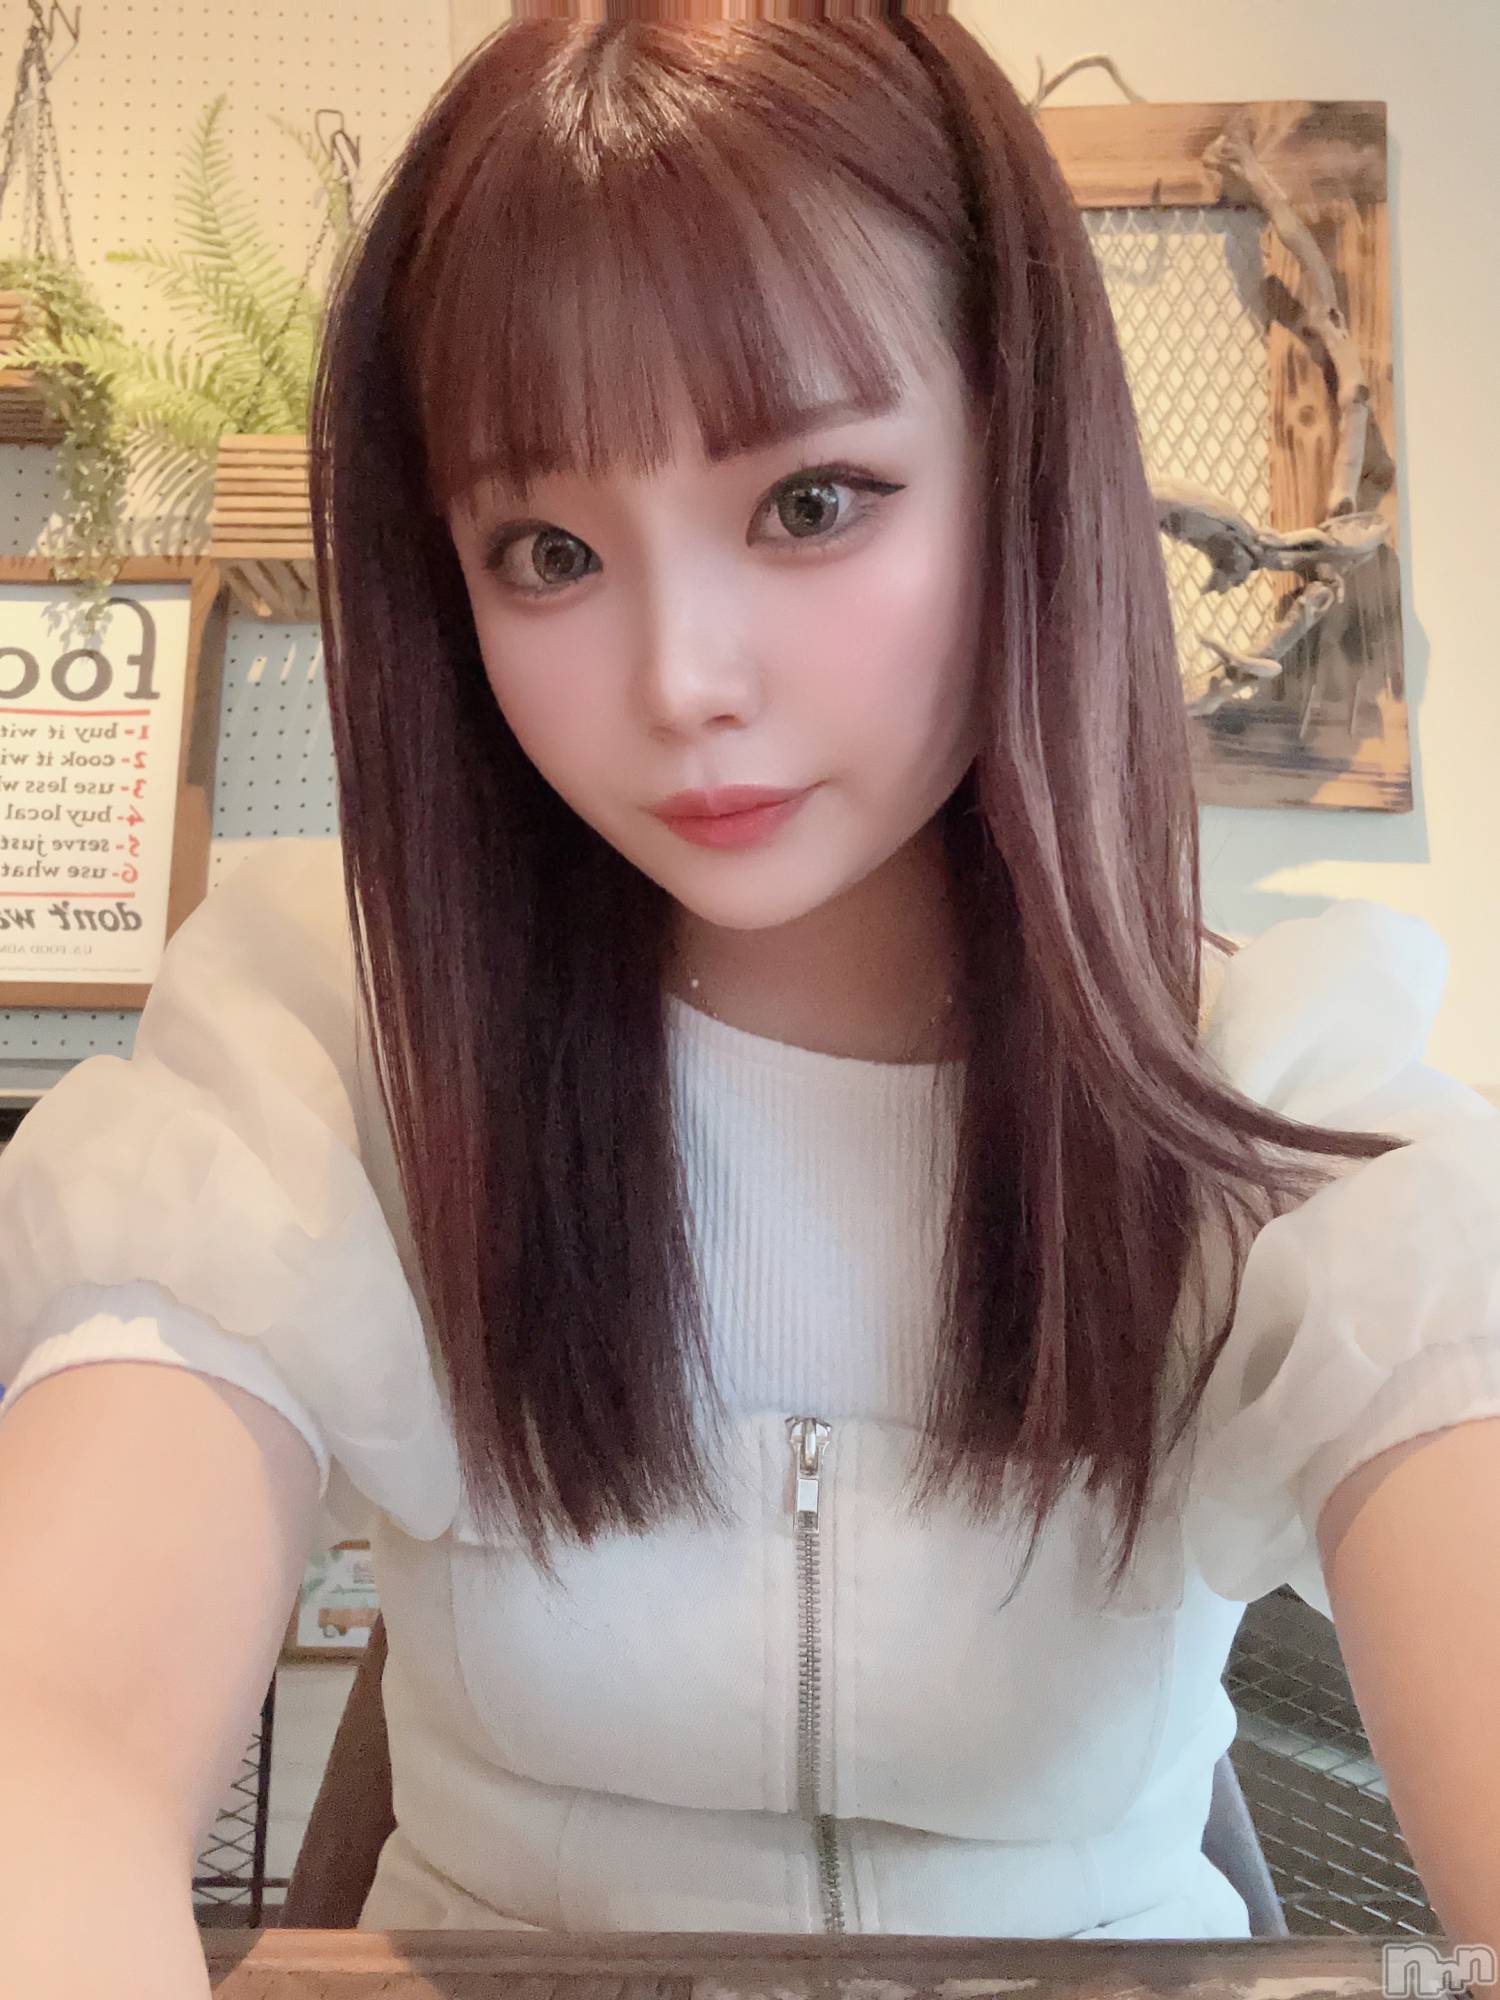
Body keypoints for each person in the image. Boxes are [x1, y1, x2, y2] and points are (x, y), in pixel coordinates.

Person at [1, 0, 1499, 1987]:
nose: (681, 679)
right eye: (549, 550)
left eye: (810, 502)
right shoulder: (334, 1056)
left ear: (1021, 469)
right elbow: (53, 1752)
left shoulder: (1261, 1093)